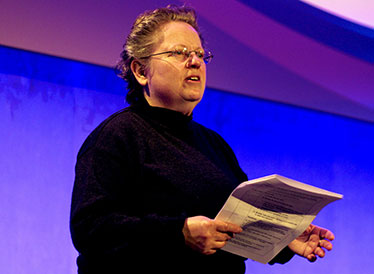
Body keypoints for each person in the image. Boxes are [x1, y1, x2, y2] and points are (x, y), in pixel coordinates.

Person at [70, 5, 335, 274]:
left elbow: (236, 230)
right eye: (179, 53)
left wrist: (283, 239)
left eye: (199, 54)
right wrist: (179, 232)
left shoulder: (214, 144)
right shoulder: (118, 135)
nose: (195, 61)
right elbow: (91, 229)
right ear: (140, 71)